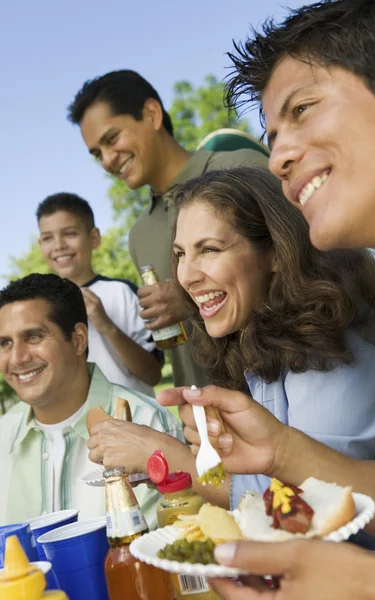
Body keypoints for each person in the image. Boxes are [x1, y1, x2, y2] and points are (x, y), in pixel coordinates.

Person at [158, 0, 375, 596]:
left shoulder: (338, 332)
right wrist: (272, 452)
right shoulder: (255, 348)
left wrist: (165, 458)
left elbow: (315, 522)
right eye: (181, 256)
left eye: (303, 109)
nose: (280, 156)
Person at [67, 69, 269, 388]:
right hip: (202, 422)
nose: (106, 160)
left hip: (284, 405)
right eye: (96, 154)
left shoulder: (241, 168)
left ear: (151, 114)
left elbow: (313, 273)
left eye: (111, 138)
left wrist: (190, 296)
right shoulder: (139, 235)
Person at [0, 274, 183, 528]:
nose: (17, 358)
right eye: (5, 343)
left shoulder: (148, 424)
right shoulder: (3, 434)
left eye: (33, 337)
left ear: (78, 340)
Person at [37, 192, 162, 397]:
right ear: (40, 245)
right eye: (47, 237)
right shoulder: (41, 308)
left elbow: (153, 375)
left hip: (133, 423)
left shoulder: (121, 292)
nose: (59, 245)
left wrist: (107, 326)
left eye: (69, 233)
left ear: (94, 238)